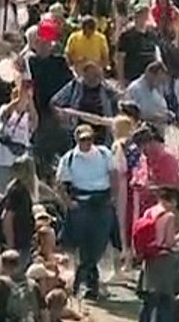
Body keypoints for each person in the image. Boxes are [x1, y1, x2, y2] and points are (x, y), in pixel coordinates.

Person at [55, 124, 116, 299]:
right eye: (83, 140)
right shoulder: (69, 159)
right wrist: (68, 203)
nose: (87, 143)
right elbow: (60, 184)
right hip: (81, 205)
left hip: (101, 203)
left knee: (99, 243)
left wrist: (112, 197)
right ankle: (91, 284)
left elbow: (113, 175)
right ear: (77, 140)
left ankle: (82, 277)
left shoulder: (104, 153)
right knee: (83, 245)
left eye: (89, 139)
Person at [136, 186, 179, 322]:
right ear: (173, 201)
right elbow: (168, 242)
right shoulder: (168, 216)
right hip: (164, 260)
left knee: (149, 300)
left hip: (149, 259)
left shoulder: (149, 212)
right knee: (165, 300)